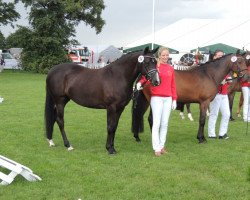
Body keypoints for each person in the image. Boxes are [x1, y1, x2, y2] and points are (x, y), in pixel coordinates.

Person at [136, 47, 177, 156]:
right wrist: (140, 83)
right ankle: (156, 148)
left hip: (168, 99)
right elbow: (146, 77)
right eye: (163, 55)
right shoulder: (156, 66)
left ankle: (162, 146)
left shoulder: (170, 68)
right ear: (159, 55)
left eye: (167, 55)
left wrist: (174, 99)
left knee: (165, 124)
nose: (165, 57)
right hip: (157, 98)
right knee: (157, 123)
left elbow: (173, 85)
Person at [208, 49, 231, 139]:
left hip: (224, 93)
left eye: (222, 55)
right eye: (219, 55)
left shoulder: (225, 67)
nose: (220, 57)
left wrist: (228, 80)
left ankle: (222, 133)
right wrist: (220, 82)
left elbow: (228, 78)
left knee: (226, 114)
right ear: (215, 56)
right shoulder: (212, 67)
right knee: (214, 114)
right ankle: (211, 134)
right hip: (215, 93)